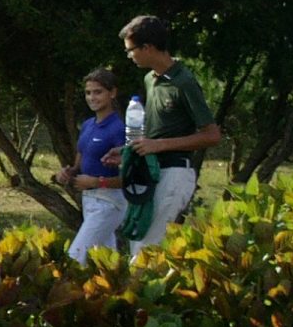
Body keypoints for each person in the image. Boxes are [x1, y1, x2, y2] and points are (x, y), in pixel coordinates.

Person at [115, 14, 222, 253]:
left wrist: (160, 145)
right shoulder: (150, 79)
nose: (129, 56)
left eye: (131, 50)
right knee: (138, 243)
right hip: (151, 171)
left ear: (148, 47)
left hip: (174, 172)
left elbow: (212, 135)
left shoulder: (184, 82)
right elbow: (157, 132)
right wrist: (128, 152)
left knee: (147, 248)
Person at [58, 67, 127, 262]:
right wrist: (67, 173)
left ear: (112, 93)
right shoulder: (88, 125)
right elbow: (79, 164)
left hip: (109, 201)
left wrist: (97, 182)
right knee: (104, 262)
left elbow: (129, 177)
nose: (92, 98)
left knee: (76, 257)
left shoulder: (118, 129)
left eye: (98, 92)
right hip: (89, 200)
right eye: (88, 93)